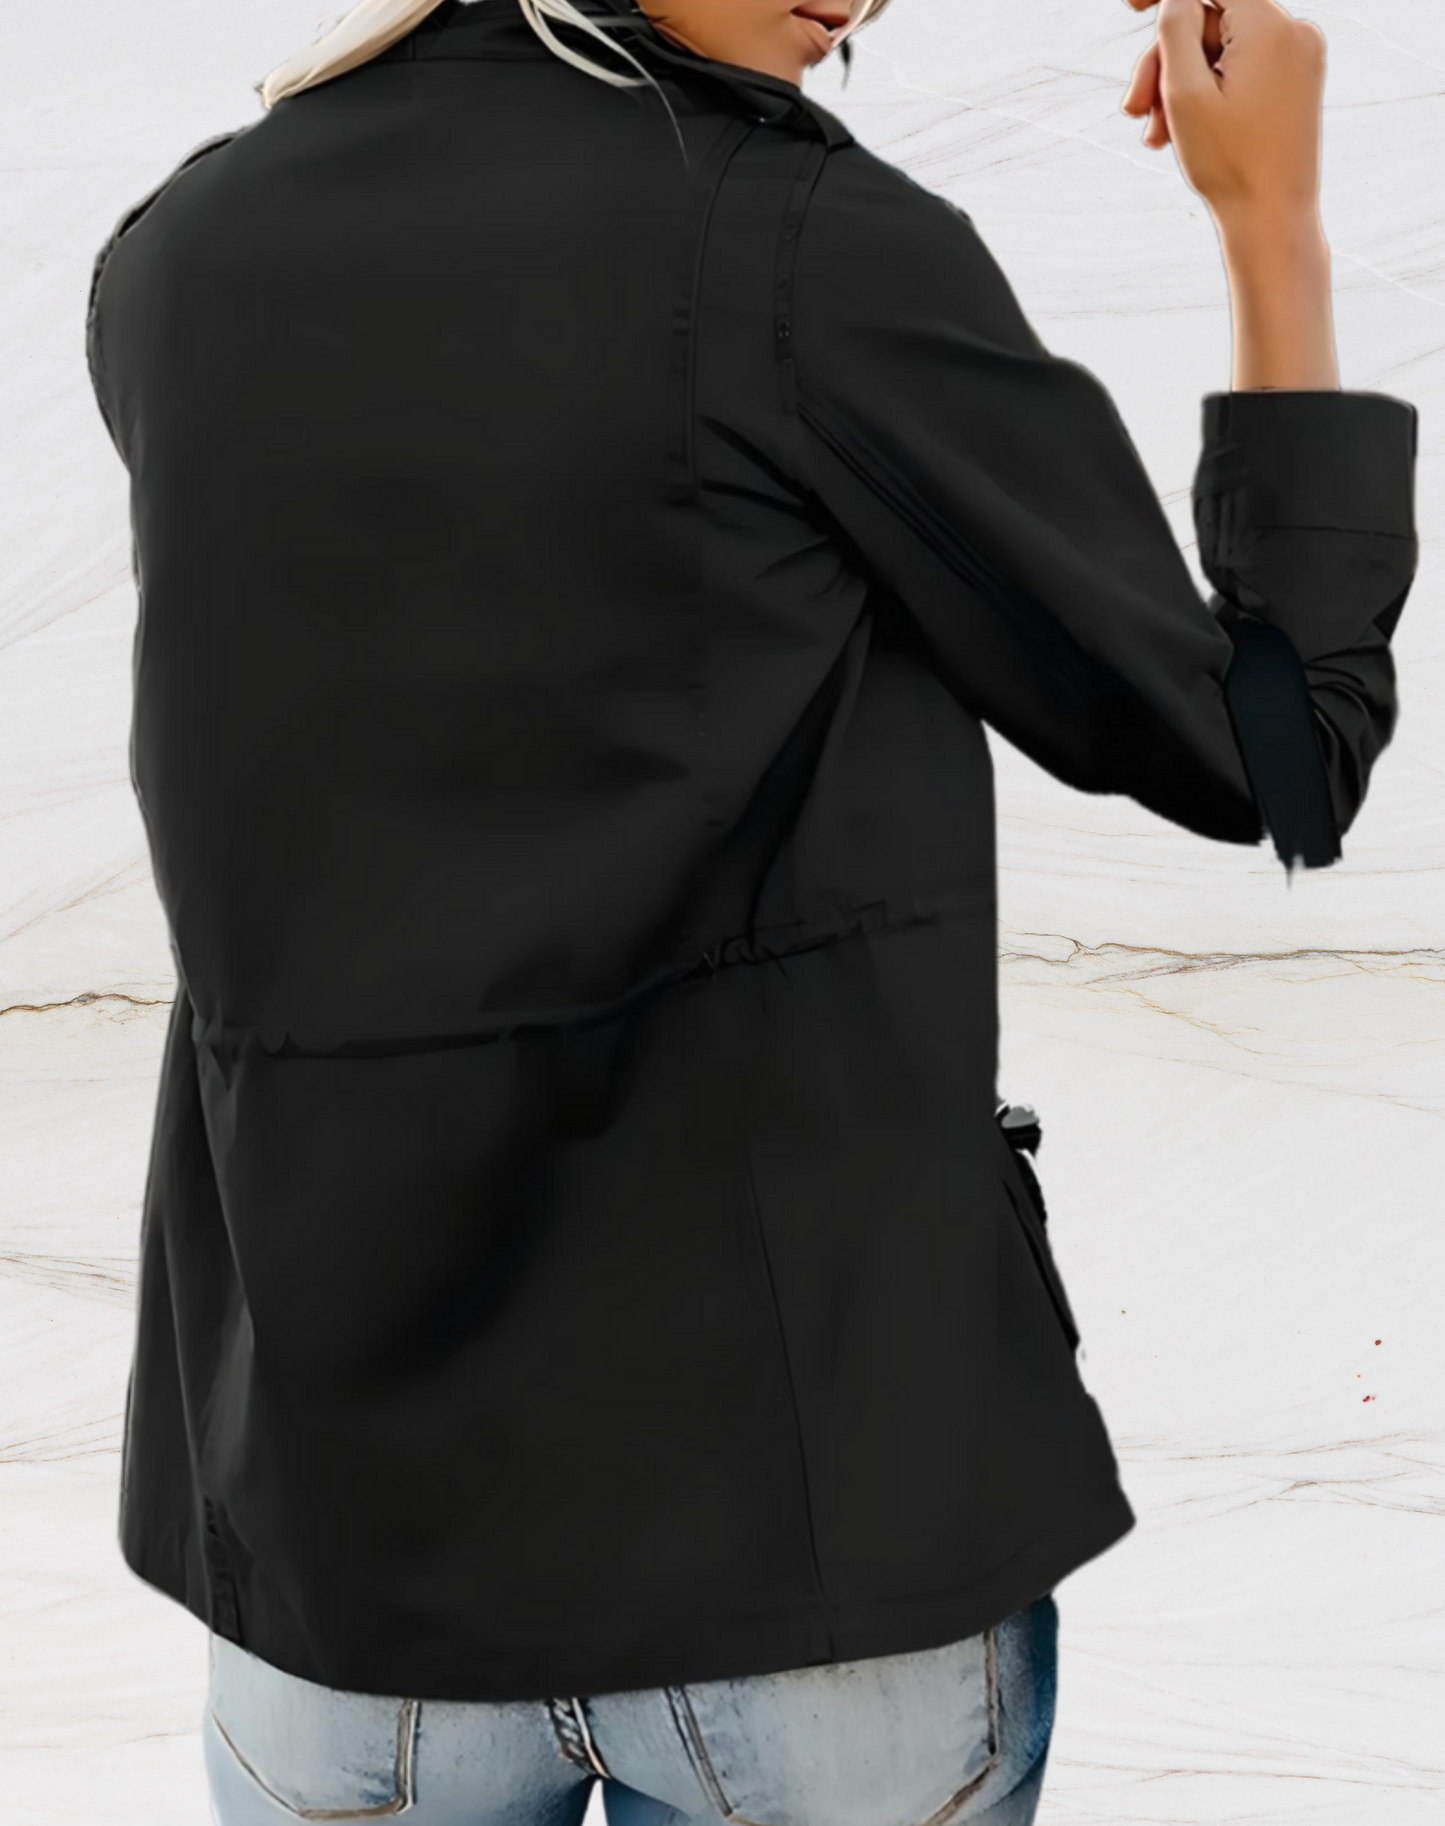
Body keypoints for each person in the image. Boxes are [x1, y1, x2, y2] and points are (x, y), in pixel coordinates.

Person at [84, 0, 1419, 1821]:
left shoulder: (175, 257)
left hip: (339, 1585)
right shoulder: (799, 245)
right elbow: (1280, 754)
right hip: (809, 1570)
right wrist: (1271, 227)